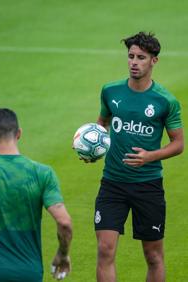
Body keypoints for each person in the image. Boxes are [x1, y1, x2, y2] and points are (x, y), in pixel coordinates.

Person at [94, 32, 184, 282]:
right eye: (131, 56)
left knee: (153, 256)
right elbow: (101, 124)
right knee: (104, 250)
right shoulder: (110, 91)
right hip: (112, 184)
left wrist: (150, 156)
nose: (134, 62)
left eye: (141, 58)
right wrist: (91, 148)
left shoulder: (165, 101)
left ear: (153, 61)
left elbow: (178, 144)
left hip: (148, 186)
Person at [0, 108, 72, 282]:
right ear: (19, 133)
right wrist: (63, 254)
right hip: (27, 273)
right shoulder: (42, 173)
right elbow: (64, 222)